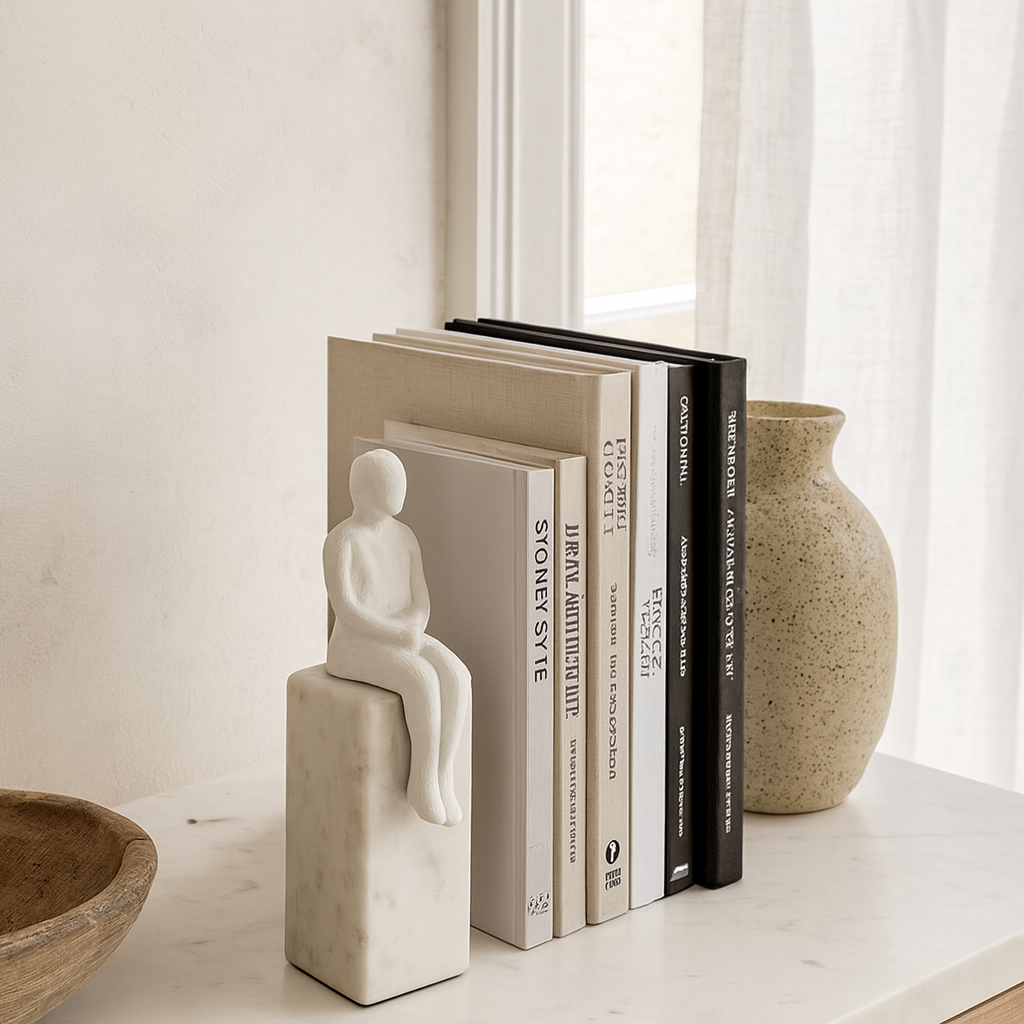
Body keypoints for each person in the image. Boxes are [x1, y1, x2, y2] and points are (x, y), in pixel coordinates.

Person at [323, 447, 470, 827]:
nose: (401, 488)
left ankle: (442, 773)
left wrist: (414, 626)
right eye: (392, 481)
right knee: (420, 677)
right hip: (355, 644)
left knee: (455, 674)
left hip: (404, 634)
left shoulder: (405, 536)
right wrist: (395, 632)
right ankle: (421, 780)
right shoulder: (343, 541)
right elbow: (348, 610)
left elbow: (420, 599)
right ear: (368, 488)